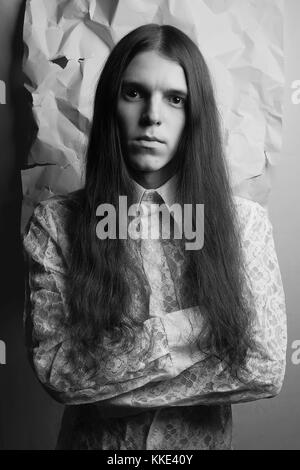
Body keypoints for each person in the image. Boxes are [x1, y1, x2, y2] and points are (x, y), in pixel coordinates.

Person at [23, 24, 287, 450]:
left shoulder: (245, 225)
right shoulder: (55, 224)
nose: (152, 115)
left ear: (194, 113)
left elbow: (265, 367)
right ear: (112, 103)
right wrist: (202, 325)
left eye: (175, 99)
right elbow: (59, 371)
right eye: (134, 93)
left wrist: (112, 394)